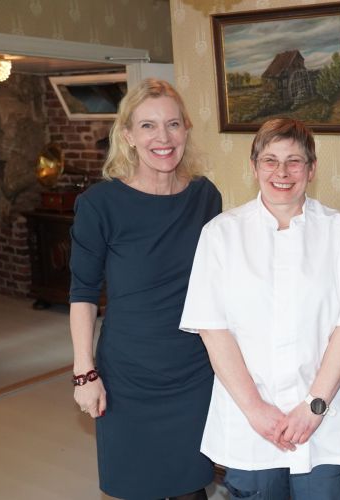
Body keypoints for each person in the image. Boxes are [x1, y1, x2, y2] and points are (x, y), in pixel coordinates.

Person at [179, 118, 340, 500]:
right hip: (249, 417)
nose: (281, 172)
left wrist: (314, 406)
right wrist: (255, 409)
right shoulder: (220, 234)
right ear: (254, 167)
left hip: (322, 417)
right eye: (270, 160)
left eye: (294, 161)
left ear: (311, 169)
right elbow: (213, 330)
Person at [69, 78, 222, 500]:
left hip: (193, 371)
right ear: (128, 136)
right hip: (127, 375)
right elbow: (83, 294)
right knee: (136, 487)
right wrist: (85, 373)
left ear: (186, 129)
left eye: (173, 124)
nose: (163, 138)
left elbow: (221, 280)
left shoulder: (205, 197)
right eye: (148, 126)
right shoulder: (100, 204)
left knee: (191, 489)